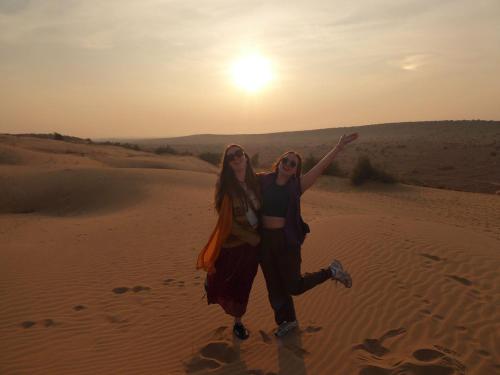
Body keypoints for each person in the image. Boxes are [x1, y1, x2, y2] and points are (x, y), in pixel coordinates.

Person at [259, 133, 358, 337]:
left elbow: (319, 168)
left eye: (293, 164)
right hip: (265, 241)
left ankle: (331, 270)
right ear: (279, 162)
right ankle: (287, 322)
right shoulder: (263, 181)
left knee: (293, 285)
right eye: (285, 160)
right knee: (274, 286)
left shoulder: (296, 187)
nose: (288, 164)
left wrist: (337, 148)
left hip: (287, 242)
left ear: (296, 170)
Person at [197, 144, 261, 340]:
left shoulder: (257, 182)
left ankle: (237, 320)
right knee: (229, 281)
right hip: (234, 244)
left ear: (246, 157)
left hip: (253, 246)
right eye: (231, 156)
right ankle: (237, 322)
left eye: (239, 153)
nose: (236, 158)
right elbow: (228, 223)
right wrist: (251, 237)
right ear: (228, 163)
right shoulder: (226, 189)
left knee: (245, 284)